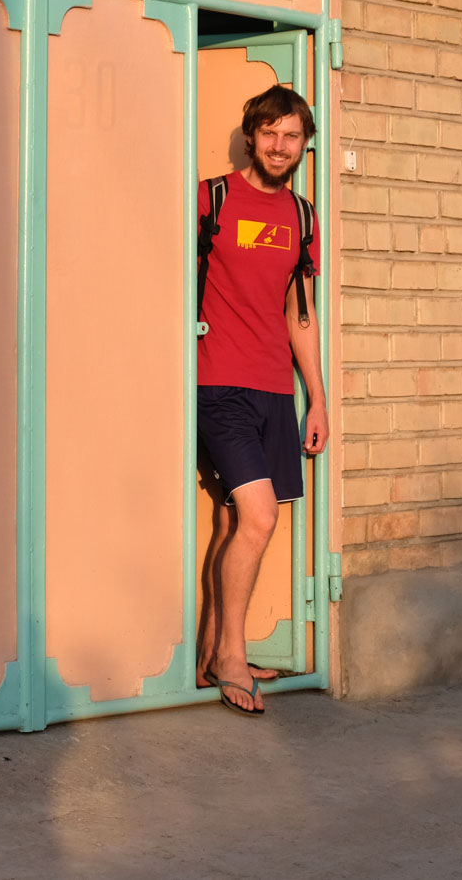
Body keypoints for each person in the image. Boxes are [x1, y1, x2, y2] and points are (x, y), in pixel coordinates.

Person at [196, 84, 327, 716]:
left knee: (230, 519)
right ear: (252, 135)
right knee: (260, 518)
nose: (280, 145)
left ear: (304, 144)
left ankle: (213, 652)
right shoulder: (211, 200)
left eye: (292, 135)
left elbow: (301, 316)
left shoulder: (302, 217)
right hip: (216, 384)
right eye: (270, 132)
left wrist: (318, 401)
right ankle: (229, 660)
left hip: (276, 389)